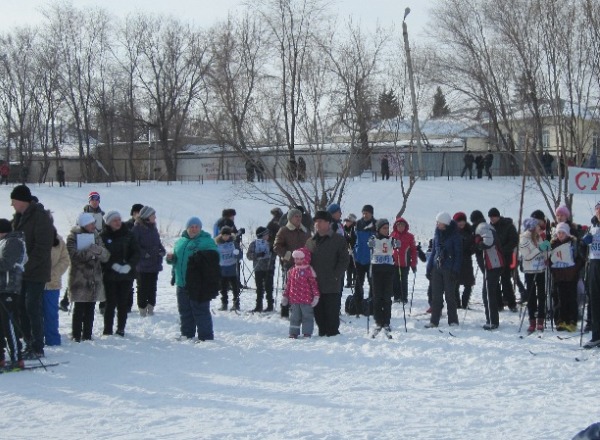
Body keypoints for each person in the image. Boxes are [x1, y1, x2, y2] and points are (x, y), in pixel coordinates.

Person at [10, 184, 54, 359]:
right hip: (20, 272)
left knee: (32, 307)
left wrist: (25, 265)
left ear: (22, 200)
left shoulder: (40, 217)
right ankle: (27, 342)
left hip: (36, 271)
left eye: (14, 201)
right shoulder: (18, 218)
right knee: (21, 307)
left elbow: (42, 248)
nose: (12, 205)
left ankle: (37, 345)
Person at [168, 217, 220, 341]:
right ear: (187, 228)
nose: (194, 229)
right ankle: (187, 334)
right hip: (181, 282)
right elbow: (177, 260)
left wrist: (200, 257)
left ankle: (206, 337)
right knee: (185, 311)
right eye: (191, 226)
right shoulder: (181, 241)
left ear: (200, 228)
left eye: (197, 226)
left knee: (200, 310)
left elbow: (215, 258)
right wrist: (171, 259)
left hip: (198, 283)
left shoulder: (206, 241)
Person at [66, 213, 110, 342]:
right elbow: (73, 255)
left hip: (94, 278)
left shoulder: (96, 236)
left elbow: (106, 255)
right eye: (91, 224)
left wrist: (99, 251)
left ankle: (87, 334)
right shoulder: (72, 237)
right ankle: (76, 334)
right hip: (79, 277)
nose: (93, 226)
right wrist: (89, 251)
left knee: (90, 307)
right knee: (79, 308)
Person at [305, 210, 349, 337]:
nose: (317, 224)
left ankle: (333, 334)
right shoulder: (310, 241)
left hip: (331, 282)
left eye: (320, 221)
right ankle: (322, 332)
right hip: (315, 283)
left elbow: (344, 260)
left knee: (332, 311)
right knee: (318, 312)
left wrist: (336, 275)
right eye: (316, 222)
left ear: (328, 223)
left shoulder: (338, 240)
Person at [100, 211, 140, 337]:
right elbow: (101, 254)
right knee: (110, 302)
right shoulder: (103, 236)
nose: (117, 222)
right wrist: (112, 264)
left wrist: (129, 265)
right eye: (114, 220)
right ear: (108, 223)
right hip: (110, 274)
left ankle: (121, 328)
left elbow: (136, 252)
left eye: (118, 219)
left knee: (123, 302)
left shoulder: (128, 234)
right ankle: (107, 329)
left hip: (126, 274)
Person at [425, 212, 462, 328]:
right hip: (437, 268)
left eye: (439, 222)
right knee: (436, 296)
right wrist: (429, 267)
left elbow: (458, 254)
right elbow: (434, 252)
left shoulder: (455, 236)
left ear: (445, 223)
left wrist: (455, 270)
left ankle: (453, 321)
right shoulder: (437, 234)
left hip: (449, 269)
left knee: (450, 296)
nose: (437, 224)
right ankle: (434, 321)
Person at [274, 208, 311, 318]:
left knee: (303, 287)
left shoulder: (306, 231)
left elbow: (311, 245)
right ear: (290, 218)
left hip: (304, 264)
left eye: (300, 216)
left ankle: (300, 308)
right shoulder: (284, 230)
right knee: (289, 287)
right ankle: (285, 309)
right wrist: (287, 255)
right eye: (296, 216)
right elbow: (277, 246)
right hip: (290, 263)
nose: (299, 218)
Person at [0, 218, 27, 369]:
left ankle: (17, 358)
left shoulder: (13, 241)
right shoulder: (4, 242)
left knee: (9, 323)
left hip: (9, 288)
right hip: (2, 288)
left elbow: (6, 264)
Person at [471, 210, 504, 330]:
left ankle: (492, 321)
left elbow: (489, 241)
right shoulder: (486, 226)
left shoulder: (481, 226)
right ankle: (492, 319)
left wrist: (481, 245)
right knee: (489, 293)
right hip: (494, 264)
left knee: (488, 294)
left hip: (492, 264)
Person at [132, 206, 165, 317]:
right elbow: (134, 245)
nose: (155, 217)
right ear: (147, 216)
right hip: (142, 265)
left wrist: (162, 250)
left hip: (154, 262)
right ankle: (142, 308)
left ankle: (151, 307)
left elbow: (157, 242)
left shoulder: (153, 228)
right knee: (142, 287)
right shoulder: (137, 228)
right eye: (153, 215)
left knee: (152, 286)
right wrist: (144, 254)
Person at [281, 247, 320, 338]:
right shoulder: (292, 271)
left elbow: (313, 285)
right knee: (294, 317)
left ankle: (307, 332)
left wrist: (316, 296)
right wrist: (285, 296)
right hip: (294, 300)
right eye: (296, 258)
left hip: (306, 300)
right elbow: (288, 284)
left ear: (305, 258)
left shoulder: (309, 271)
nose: (298, 261)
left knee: (307, 316)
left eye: (301, 259)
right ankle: (293, 332)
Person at [367, 219, 396, 338]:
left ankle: (386, 321)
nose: (386, 230)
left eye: (387, 228)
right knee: (377, 296)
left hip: (388, 270)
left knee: (387, 297)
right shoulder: (374, 239)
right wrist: (370, 244)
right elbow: (369, 245)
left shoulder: (391, 239)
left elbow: (396, 246)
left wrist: (396, 245)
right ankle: (379, 320)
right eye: (384, 228)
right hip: (377, 270)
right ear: (378, 229)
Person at [550, 222, 581, 332]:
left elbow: (579, 258)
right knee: (560, 299)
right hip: (559, 275)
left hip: (571, 275)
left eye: (563, 232)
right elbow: (550, 259)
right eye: (559, 233)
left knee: (571, 298)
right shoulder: (553, 244)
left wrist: (575, 269)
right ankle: (561, 320)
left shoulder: (573, 243)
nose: (561, 235)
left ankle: (572, 320)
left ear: (567, 233)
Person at [519, 218, 548, 334]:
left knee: (542, 294)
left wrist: (547, 254)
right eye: (537, 226)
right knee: (531, 295)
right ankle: (532, 321)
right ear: (531, 227)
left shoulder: (538, 236)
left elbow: (544, 251)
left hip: (541, 269)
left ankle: (541, 319)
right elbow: (527, 256)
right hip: (530, 270)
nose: (539, 228)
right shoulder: (524, 238)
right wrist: (539, 249)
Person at [488, 207, 519, 312]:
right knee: (495, 281)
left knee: (506, 281)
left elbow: (514, 240)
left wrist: (503, 250)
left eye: (494, 217)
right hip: (494, 258)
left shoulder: (508, 225)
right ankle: (498, 303)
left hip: (506, 257)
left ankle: (512, 303)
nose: (492, 219)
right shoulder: (489, 228)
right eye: (491, 217)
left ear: (498, 216)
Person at [43, 226, 69, 346]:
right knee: (34, 313)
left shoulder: (58, 240)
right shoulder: (30, 236)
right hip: (34, 282)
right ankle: (35, 340)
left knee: (51, 313)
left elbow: (65, 260)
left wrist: (53, 273)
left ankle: (52, 339)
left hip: (52, 283)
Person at [353, 205, 377, 315]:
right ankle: (357, 303)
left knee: (372, 282)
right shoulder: (358, 224)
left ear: (371, 213)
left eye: (367, 213)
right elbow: (354, 239)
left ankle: (371, 303)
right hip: (359, 258)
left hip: (371, 259)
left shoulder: (376, 224)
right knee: (358, 282)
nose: (364, 215)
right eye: (363, 213)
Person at [582, 203, 600, 348]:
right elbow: (584, 245)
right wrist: (585, 240)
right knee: (594, 300)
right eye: (598, 210)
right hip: (594, 263)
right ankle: (596, 335)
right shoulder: (592, 226)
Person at [391, 216, 417, 304]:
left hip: (405, 263)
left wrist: (413, 263)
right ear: (396, 226)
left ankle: (404, 297)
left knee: (403, 281)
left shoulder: (410, 236)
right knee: (395, 281)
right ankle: (396, 297)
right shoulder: (392, 235)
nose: (400, 227)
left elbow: (413, 251)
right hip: (394, 263)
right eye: (399, 225)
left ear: (405, 227)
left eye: (402, 225)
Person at [215, 226, 242, 311]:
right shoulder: (218, 244)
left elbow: (240, 255)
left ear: (230, 235)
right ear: (221, 235)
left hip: (233, 268)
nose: (226, 237)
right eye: (224, 235)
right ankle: (224, 304)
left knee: (235, 287)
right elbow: (215, 255)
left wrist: (237, 254)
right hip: (222, 268)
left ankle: (236, 303)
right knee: (223, 288)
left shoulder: (234, 243)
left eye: (227, 235)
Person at [247, 227, 273, 312]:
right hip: (258, 268)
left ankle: (270, 305)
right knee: (259, 287)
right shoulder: (254, 244)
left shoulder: (269, 244)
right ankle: (259, 305)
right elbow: (249, 255)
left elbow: (274, 254)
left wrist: (273, 252)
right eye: (266, 234)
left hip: (268, 268)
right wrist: (257, 255)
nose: (268, 236)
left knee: (269, 287)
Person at [452, 212, 475, 309]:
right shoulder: (452, 232)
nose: (461, 223)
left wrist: (472, 249)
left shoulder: (470, 231)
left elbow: (474, 244)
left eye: (462, 221)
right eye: (458, 221)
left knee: (468, 283)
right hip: (455, 260)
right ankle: (457, 303)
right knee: (455, 283)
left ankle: (465, 303)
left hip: (467, 260)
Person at [343, 214, 357, 288]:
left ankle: (354, 281)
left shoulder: (355, 229)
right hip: (346, 250)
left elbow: (356, 239)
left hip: (354, 250)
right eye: (346, 221)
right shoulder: (344, 229)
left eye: (348, 221)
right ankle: (349, 281)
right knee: (348, 266)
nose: (347, 222)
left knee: (354, 266)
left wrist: (352, 246)